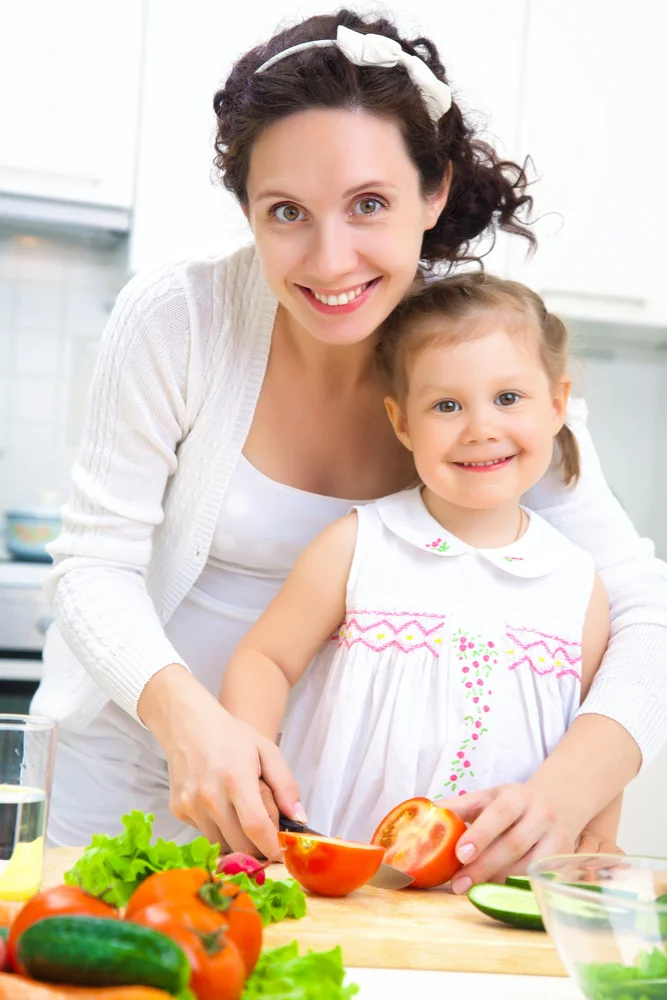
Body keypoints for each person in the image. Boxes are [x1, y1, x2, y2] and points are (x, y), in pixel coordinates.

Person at [32, 10, 665, 893]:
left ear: (432, 192)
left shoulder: (476, 368)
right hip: (139, 772)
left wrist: (571, 786)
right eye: (285, 211)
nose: (330, 260)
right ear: (246, 208)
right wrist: (191, 722)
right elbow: (96, 568)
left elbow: (645, 610)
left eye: (369, 204)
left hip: (336, 821)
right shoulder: (180, 320)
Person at [220, 272, 623, 875]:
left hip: (493, 888)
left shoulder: (577, 586)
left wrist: (593, 836)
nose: (481, 428)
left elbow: (597, 734)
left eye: (508, 398)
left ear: (558, 405)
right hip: (342, 872)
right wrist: (251, 775)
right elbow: (266, 660)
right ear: (402, 422)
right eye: (446, 405)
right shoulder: (359, 545)